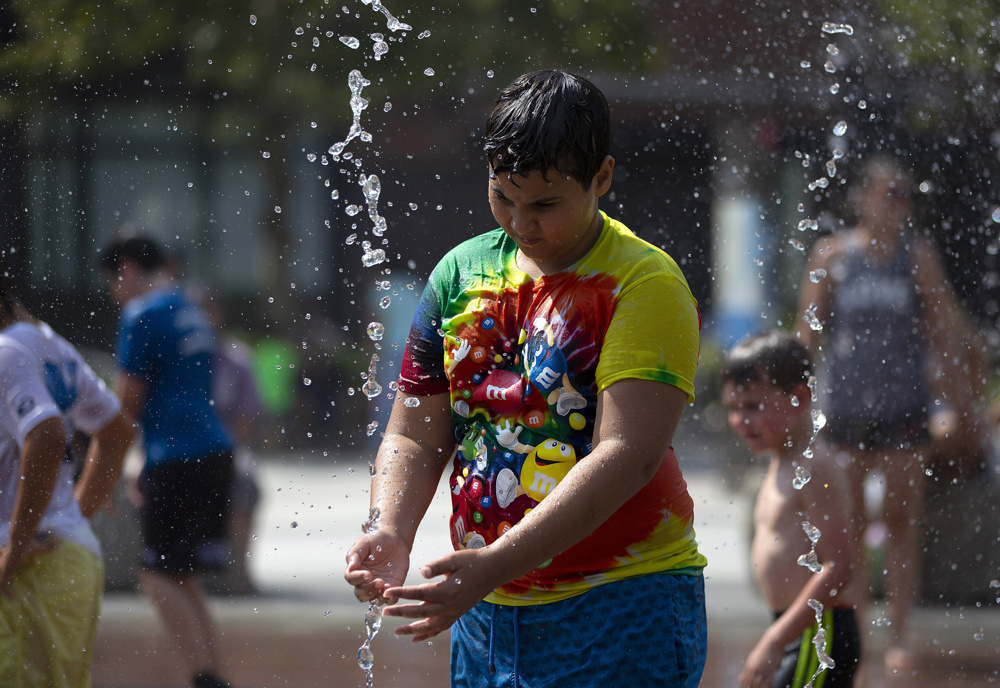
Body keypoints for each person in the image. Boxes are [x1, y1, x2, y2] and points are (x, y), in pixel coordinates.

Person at [344, 69, 708, 687]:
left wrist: (493, 564)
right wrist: (390, 530)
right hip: (487, 608)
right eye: (502, 197)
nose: (519, 222)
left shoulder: (645, 284)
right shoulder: (459, 275)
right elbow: (414, 434)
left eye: (543, 204)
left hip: (624, 602)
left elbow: (627, 456)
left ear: (602, 178)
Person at [795, 155, 965, 677]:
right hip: (845, 413)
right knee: (844, 528)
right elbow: (808, 335)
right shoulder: (832, 254)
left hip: (903, 411)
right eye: (887, 193)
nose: (897, 204)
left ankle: (900, 635)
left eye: (904, 195)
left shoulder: (917, 257)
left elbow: (941, 332)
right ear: (861, 198)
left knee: (899, 524)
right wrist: (796, 409)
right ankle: (854, 632)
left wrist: (951, 404)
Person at [99, 235, 236, 688]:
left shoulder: (140, 314)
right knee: (178, 571)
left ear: (128, 270)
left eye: (112, 281)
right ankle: (212, 672)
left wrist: (106, 471)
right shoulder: (189, 306)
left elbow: (127, 403)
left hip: (177, 457)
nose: (113, 292)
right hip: (213, 449)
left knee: (156, 574)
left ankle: (204, 677)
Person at [0, 276, 135, 686]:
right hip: (62, 557)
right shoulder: (48, 344)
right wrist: (71, 516)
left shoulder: (7, 352)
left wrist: (15, 547)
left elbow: (46, 435)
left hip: (27, 568)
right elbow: (117, 433)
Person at [722, 331, 863, 688]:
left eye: (753, 406)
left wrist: (774, 640)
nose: (741, 421)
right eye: (733, 408)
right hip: (799, 629)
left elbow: (840, 567)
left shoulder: (814, 466)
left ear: (799, 398)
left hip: (821, 633)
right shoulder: (782, 461)